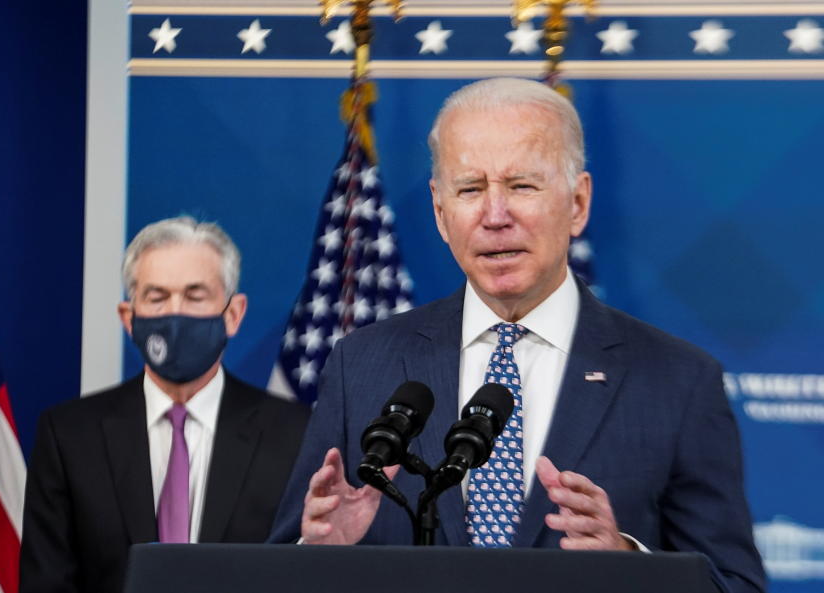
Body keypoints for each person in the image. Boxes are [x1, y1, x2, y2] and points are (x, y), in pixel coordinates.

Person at [268, 78, 765, 593]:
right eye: (471, 189)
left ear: (577, 203)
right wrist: (317, 558)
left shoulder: (678, 381)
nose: (495, 216)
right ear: (440, 212)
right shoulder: (362, 366)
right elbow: (278, 570)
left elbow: (737, 586)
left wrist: (629, 562)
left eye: (522, 186)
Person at [21, 216, 310, 593]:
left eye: (195, 296)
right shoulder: (69, 436)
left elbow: (301, 575)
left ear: (234, 314)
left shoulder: (294, 434)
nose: (177, 314)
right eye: (157, 297)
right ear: (129, 317)